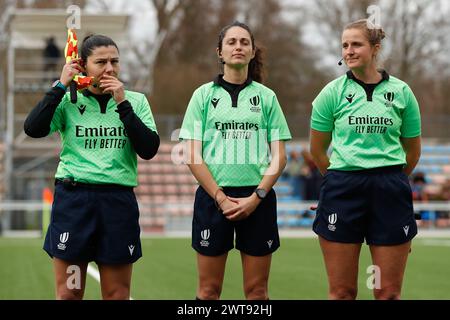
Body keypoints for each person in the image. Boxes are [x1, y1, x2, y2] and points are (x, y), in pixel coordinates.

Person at [24, 34, 160, 300]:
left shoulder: (135, 101)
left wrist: (122, 103)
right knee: (69, 294)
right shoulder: (68, 100)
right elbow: (33, 128)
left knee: (117, 294)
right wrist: (61, 85)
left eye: (115, 61)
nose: (110, 68)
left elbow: (149, 149)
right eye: (101, 62)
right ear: (83, 66)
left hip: (117, 204)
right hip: (75, 204)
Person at [310, 19, 421, 300]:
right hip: (342, 189)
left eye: (356, 44)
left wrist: (390, 179)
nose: (349, 51)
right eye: (345, 45)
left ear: (375, 48)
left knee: (388, 293)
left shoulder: (402, 93)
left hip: (390, 190)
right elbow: (318, 151)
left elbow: (413, 151)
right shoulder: (331, 94)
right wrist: (337, 181)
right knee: (341, 293)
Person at [179, 21, 291, 300]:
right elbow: (192, 155)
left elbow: (280, 156)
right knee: (208, 292)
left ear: (253, 52)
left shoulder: (267, 98)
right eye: (231, 42)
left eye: (244, 42)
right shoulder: (202, 96)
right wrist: (220, 197)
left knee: (257, 292)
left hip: (258, 201)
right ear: (220, 52)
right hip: (213, 199)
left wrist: (257, 196)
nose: (238, 47)